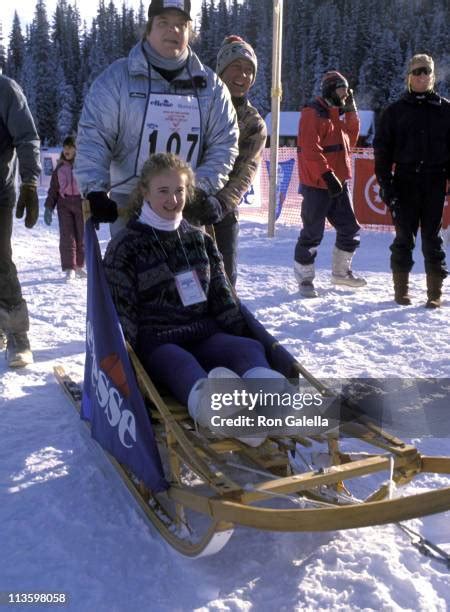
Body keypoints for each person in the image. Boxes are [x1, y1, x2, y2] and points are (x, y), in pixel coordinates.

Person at [103, 153, 284, 443]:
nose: (173, 200)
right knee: (182, 365)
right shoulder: (125, 245)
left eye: (180, 191)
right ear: (145, 192)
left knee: (247, 347)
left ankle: (269, 399)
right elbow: (121, 309)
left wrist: (243, 329)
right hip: (157, 340)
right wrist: (131, 362)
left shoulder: (199, 239)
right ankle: (221, 411)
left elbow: (221, 295)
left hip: (203, 333)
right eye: (163, 191)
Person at [75, 0, 238, 236]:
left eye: (181, 24)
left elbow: (225, 143)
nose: (173, 30)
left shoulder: (211, 88)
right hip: (130, 201)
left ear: (190, 32)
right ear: (148, 28)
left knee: (190, 272)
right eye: (164, 23)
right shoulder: (116, 80)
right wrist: (95, 190)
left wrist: (199, 189)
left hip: (184, 203)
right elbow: (95, 137)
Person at [187, 35, 266, 287]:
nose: (243, 75)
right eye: (236, 67)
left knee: (224, 282)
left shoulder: (253, 123)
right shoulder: (196, 103)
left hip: (221, 211)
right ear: (221, 69)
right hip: (184, 204)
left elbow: (246, 171)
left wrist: (220, 204)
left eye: (249, 70)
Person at [374, 54, 450, 308]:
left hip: (434, 180)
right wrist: (386, 185)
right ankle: (401, 290)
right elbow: (382, 151)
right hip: (404, 181)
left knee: (432, 237)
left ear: (433, 76)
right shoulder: (394, 112)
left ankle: (434, 293)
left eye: (426, 71)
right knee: (404, 237)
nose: (421, 76)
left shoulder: (445, 109)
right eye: (417, 72)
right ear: (409, 76)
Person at [294, 70, 366, 298]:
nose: (345, 95)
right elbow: (310, 151)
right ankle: (305, 277)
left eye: (347, 91)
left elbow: (351, 140)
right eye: (341, 90)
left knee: (350, 229)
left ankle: (340, 273)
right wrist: (327, 176)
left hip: (338, 184)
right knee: (312, 234)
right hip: (318, 185)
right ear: (329, 90)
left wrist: (352, 112)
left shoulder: (335, 115)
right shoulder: (312, 114)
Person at [0, 75, 41, 368]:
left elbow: (27, 137)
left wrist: (30, 182)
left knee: (1, 260)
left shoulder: (5, 90)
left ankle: (17, 334)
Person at [44, 136, 86, 281]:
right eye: (65, 147)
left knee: (82, 236)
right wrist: (49, 207)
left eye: (70, 147)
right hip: (64, 204)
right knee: (67, 237)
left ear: (76, 149)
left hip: (81, 204)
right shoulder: (60, 168)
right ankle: (70, 268)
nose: (67, 150)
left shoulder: (82, 166)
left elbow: (90, 185)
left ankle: (79, 266)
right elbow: (53, 189)